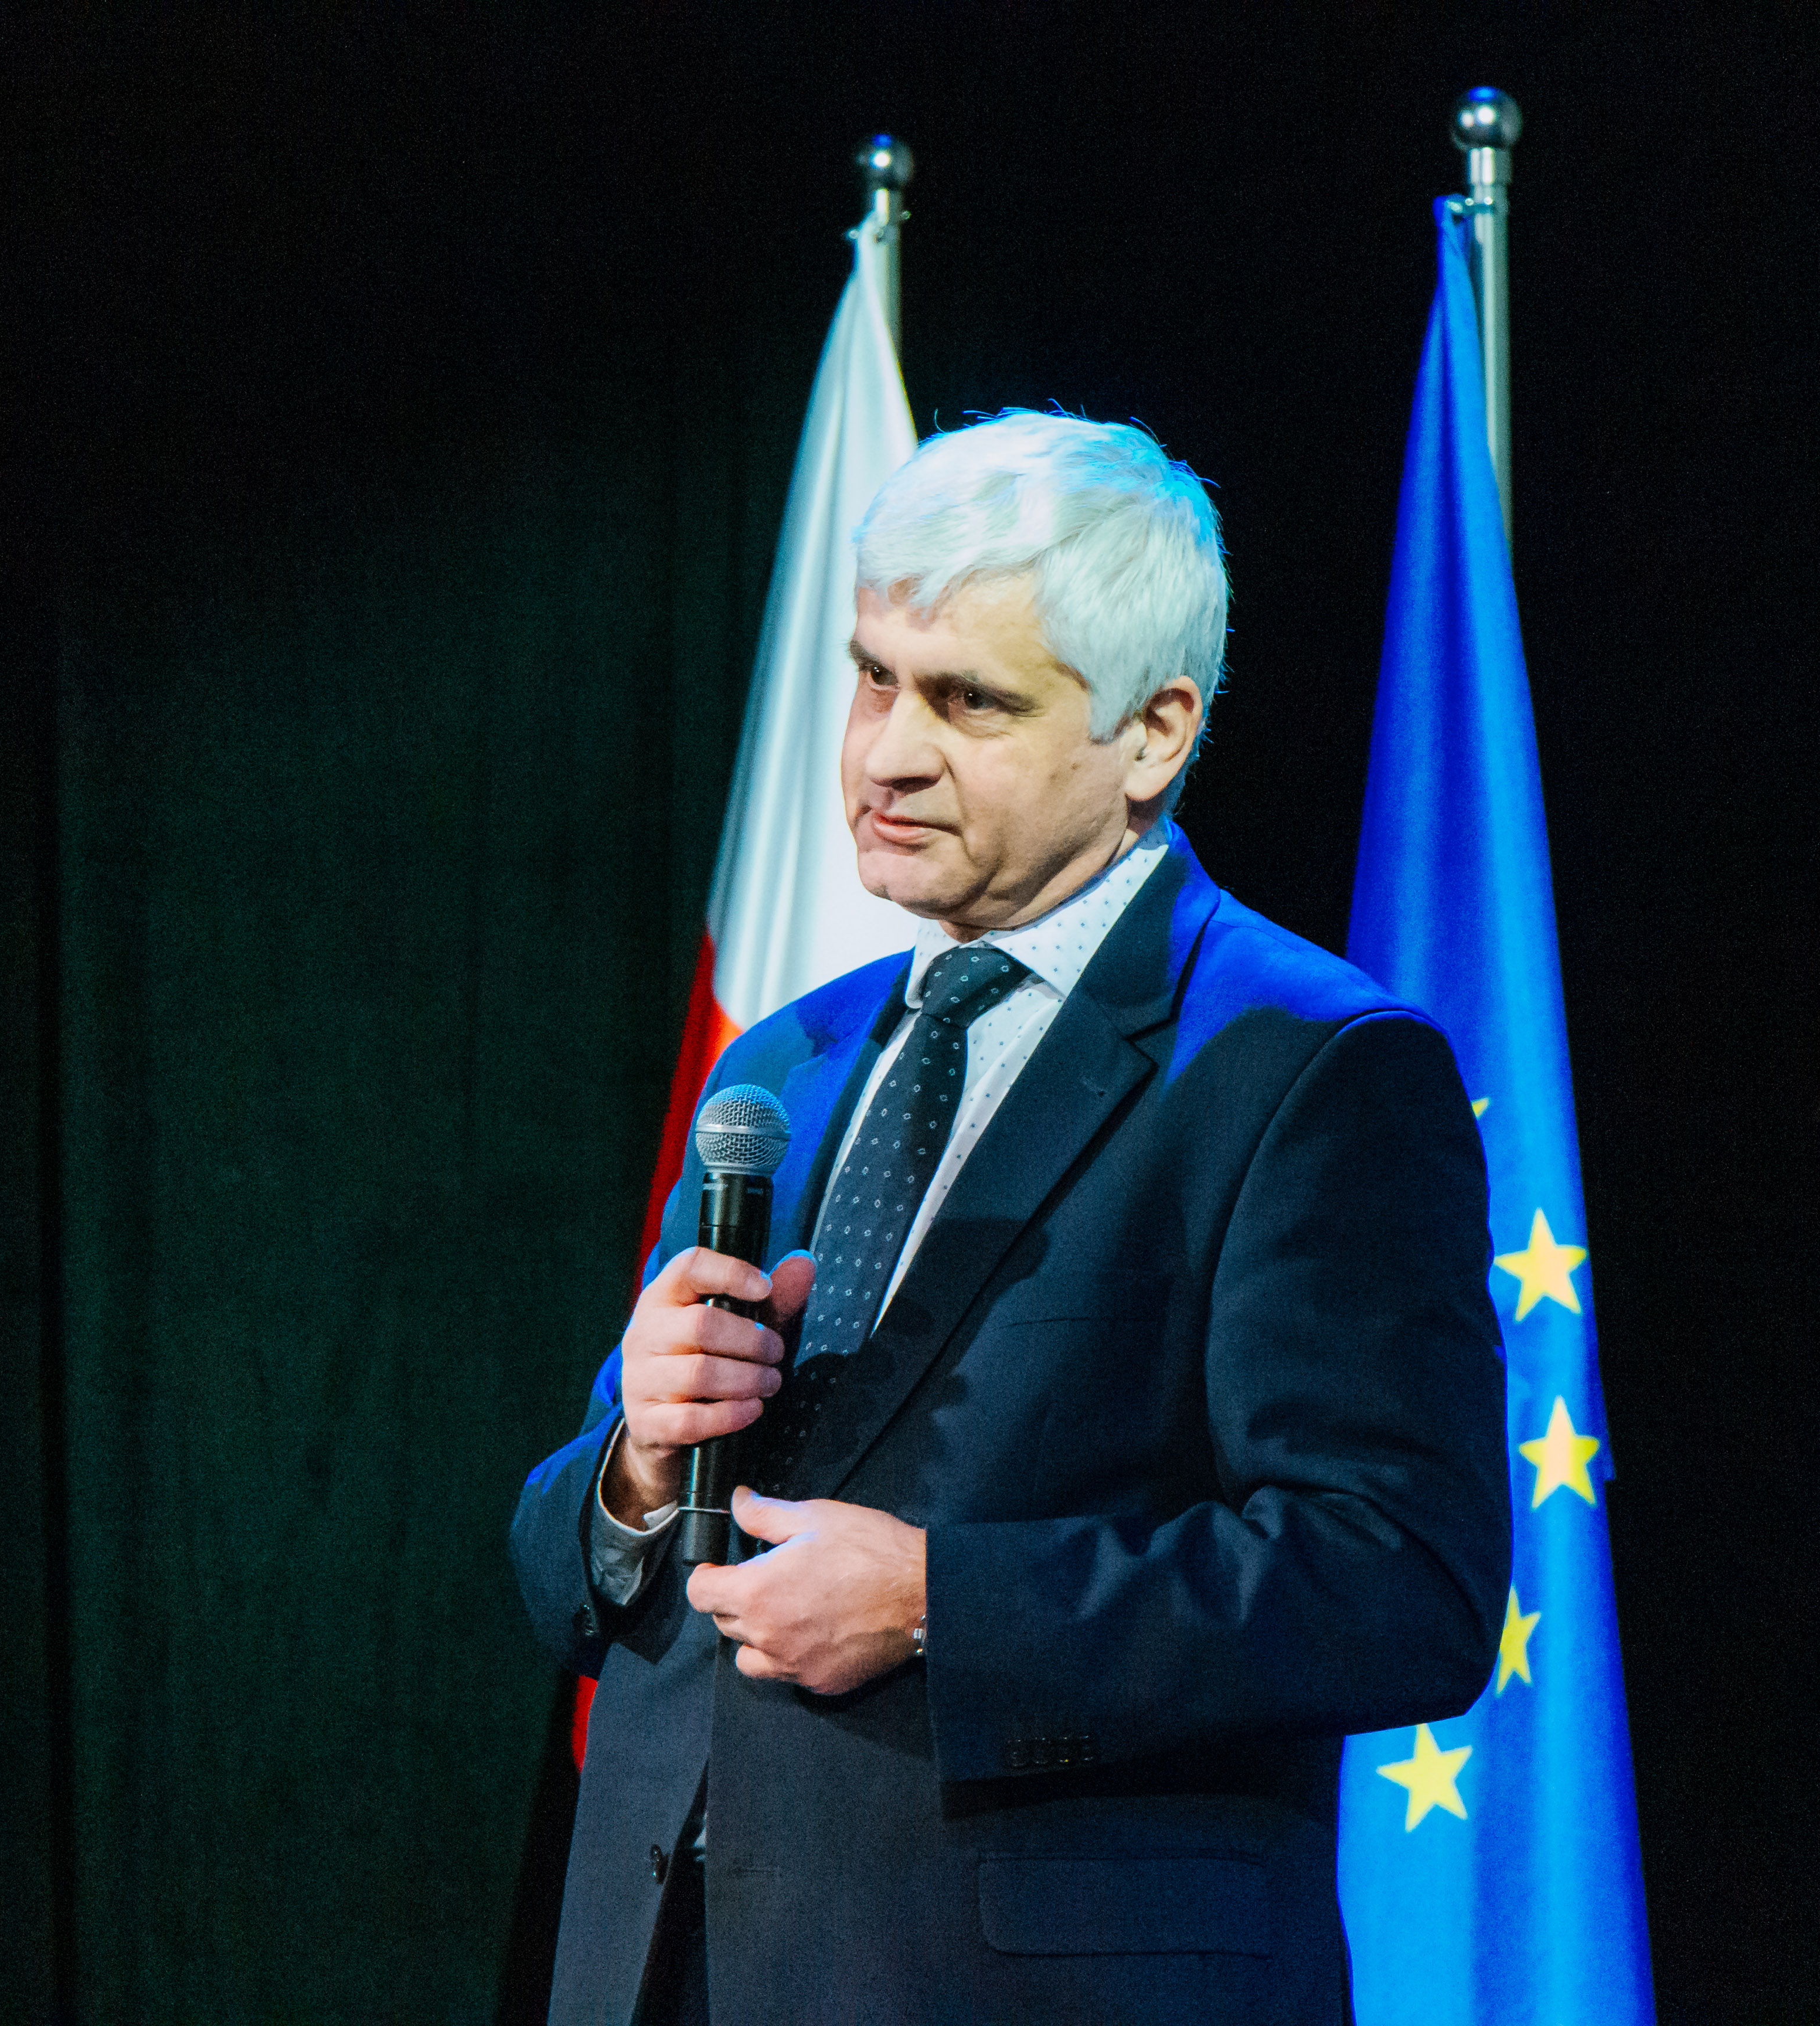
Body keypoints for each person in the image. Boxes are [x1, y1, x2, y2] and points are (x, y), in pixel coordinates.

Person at [511, 410, 1509, 2026]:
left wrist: (941, 1605)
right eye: (874, 677)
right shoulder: (785, 1060)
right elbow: (568, 1568)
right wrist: (633, 1463)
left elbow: (1399, 1583)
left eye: (970, 700)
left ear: (1153, 732)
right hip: (667, 1971)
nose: (886, 753)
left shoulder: (1307, 1070)